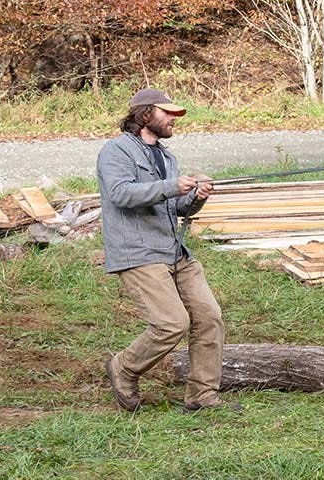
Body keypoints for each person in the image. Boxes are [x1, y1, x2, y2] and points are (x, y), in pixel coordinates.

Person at [98, 88, 239, 412]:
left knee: (209, 317)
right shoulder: (115, 151)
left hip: (174, 251)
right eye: (168, 113)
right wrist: (171, 186)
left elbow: (176, 207)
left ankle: (202, 395)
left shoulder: (166, 156)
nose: (174, 119)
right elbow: (121, 195)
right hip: (138, 252)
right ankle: (124, 367)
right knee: (171, 323)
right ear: (145, 114)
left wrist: (197, 195)